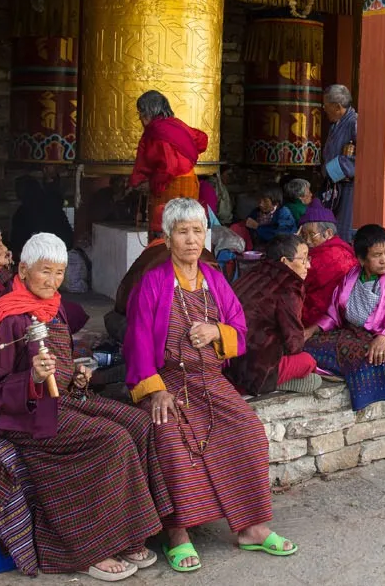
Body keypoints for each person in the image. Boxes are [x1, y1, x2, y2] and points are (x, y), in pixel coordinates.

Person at [0, 233, 167, 582]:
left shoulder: (54, 306)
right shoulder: (7, 316)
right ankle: (88, 549)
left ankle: (127, 534)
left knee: (139, 424)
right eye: (45, 271)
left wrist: (76, 375)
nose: (53, 281)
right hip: (22, 414)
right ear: (24, 270)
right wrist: (32, 377)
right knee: (112, 439)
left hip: (63, 399)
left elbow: (61, 365)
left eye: (59, 273)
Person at [124, 199, 296, 572]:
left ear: (206, 236)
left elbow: (240, 329)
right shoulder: (152, 283)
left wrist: (216, 331)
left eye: (197, 231)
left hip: (210, 380)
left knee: (249, 431)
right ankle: (177, 533)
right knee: (169, 438)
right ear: (167, 237)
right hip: (167, 381)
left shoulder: (215, 280)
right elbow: (136, 341)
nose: (190, 239)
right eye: (182, 231)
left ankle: (251, 527)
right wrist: (155, 390)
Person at [303, 224, 385, 412]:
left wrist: (383, 337)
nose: (384, 260)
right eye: (377, 255)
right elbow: (334, 312)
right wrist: (312, 329)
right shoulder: (351, 276)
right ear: (362, 259)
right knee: (306, 344)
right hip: (353, 334)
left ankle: (358, 378)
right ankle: (351, 367)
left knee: (373, 358)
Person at [224, 234, 321, 396]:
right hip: (253, 371)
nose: (308, 266)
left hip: (227, 363)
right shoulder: (289, 285)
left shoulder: (252, 271)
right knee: (308, 362)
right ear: (284, 261)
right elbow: (294, 343)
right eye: (303, 259)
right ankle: (274, 382)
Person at [129, 90, 209, 240]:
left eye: (141, 112)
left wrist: (150, 183)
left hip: (170, 186)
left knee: (167, 231)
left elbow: (168, 166)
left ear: (149, 111)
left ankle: (164, 255)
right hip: (190, 183)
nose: (140, 118)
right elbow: (201, 140)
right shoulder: (177, 125)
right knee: (187, 228)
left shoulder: (156, 131)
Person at [298, 200, 357, 326]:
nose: (307, 240)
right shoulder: (342, 247)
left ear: (329, 233)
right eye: (303, 235)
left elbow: (299, 282)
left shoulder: (325, 256)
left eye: (312, 235)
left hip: (322, 313)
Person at [321, 84, 358, 239]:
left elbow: (361, 157)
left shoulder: (354, 123)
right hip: (334, 185)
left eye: (326, 105)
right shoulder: (337, 123)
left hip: (348, 187)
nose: (324, 108)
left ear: (337, 107)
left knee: (343, 232)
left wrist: (331, 169)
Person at [9, 174, 75, 260]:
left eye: (18, 189)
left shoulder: (23, 212)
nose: (17, 193)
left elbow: (17, 242)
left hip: (40, 256)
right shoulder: (53, 205)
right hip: (61, 252)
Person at [232, 184, 296, 249]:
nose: (261, 204)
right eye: (259, 200)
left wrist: (257, 227)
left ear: (276, 202)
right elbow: (247, 226)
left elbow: (281, 235)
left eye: (265, 201)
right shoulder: (256, 212)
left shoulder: (284, 213)